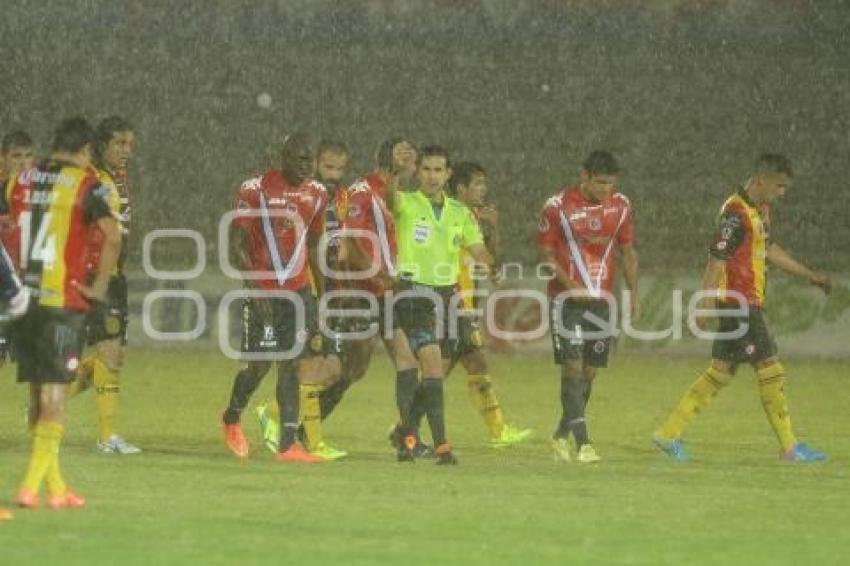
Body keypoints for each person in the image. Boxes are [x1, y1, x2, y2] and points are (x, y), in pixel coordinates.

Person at [653, 153, 831, 462]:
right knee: (770, 367)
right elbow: (716, 259)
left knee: (720, 372)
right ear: (761, 179)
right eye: (780, 186)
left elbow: (769, 249)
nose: (782, 193)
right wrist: (704, 302)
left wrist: (810, 276)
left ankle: (669, 433)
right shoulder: (735, 213)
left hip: (742, 302)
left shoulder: (759, 210)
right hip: (739, 303)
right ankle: (789, 447)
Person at [7, 117, 121, 509]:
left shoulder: (19, 180)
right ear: (86, 150)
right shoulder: (85, 184)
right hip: (61, 301)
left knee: (40, 391)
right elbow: (113, 235)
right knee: (56, 392)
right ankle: (29, 484)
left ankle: (55, 487)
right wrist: (100, 286)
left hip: (24, 301)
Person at [220, 132, 327, 463]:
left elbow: (312, 246)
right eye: (299, 159)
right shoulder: (255, 190)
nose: (306, 166)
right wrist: (254, 287)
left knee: (292, 365)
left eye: (310, 160)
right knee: (259, 366)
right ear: (282, 157)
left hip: (297, 292)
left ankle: (287, 445)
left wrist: (323, 294)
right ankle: (232, 417)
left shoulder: (318, 194)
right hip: (262, 292)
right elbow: (236, 246)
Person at [388, 145, 496, 465]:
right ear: (418, 172)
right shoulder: (406, 204)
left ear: (448, 174)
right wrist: (396, 172)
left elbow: (477, 248)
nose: (433, 176)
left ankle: (406, 435)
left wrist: (490, 263)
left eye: (439, 170)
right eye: (427, 170)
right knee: (433, 367)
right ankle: (442, 447)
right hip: (413, 294)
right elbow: (387, 198)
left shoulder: (459, 214)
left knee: (437, 371)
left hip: (448, 297)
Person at [537, 150, 639, 464]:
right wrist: (571, 286)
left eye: (610, 183)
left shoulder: (620, 207)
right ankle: (584, 444)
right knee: (572, 366)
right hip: (565, 300)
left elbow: (628, 252)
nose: (605, 189)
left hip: (602, 301)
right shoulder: (557, 207)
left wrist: (634, 293)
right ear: (584, 176)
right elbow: (546, 255)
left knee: (589, 373)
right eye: (599, 182)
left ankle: (559, 437)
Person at [256, 140, 352, 460]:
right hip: (304, 291)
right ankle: (310, 440)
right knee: (313, 365)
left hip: (329, 290)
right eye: (327, 167)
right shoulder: (303, 199)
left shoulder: (334, 200)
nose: (333, 175)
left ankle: (274, 415)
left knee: (337, 369)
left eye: (339, 169)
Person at [436, 161, 532, 448]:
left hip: (463, 303)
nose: (483, 189)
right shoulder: (447, 214)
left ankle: (407, 423)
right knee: (472, 363)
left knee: (443, 369)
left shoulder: (475, 217)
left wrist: (493, 228)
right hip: (449, 300)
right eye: (477, 184)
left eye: (483, 184)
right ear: (461, 188)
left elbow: (491, 264)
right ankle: (498, 431)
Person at [67, 116, 141, 454]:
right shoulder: (92, 180)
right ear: (102, 145)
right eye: (119, 144)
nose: (127, 151)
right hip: (96, 274)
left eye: (129, 144)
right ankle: (107, 437)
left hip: (115, 275)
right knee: (109, 354)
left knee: (112, 356)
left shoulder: (118, 178)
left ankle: (47, 401)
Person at [0, 129, 35, 364]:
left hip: (26, 277)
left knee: (31, 356)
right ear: (3, 157)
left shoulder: (35, 188)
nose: (23, 163)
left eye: (28, 156)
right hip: (5, 278)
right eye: (17, 156)